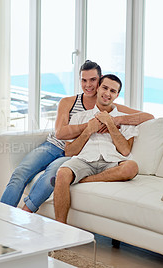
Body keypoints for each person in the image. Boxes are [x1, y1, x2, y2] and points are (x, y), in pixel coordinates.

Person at [0, 60, 153, 213]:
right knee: (20, 173)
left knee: (50, 177)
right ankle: (2, 214)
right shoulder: (68, 102)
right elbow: (60, 133)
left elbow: (148, 116)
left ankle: (25, 214)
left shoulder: (109, 105)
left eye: (93, 80)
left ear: (99, 81)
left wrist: (115, 120)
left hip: (76, 152)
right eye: (84, 80)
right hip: (53, 146)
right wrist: (90, 125)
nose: (88, 85)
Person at [53, 74, 139, 223]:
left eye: (112, 91)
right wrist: (88, 130)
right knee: (61, 173)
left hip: (112, 163)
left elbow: (125, 151)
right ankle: (61, 231)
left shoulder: (123, 119)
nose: (107, 93)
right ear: (98, 88)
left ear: (117, 95)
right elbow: (69, 151)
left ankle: (85, 180)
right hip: (84, 161)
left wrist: (110, 124)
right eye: (105, 88)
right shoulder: (80, 117)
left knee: (131, 167)